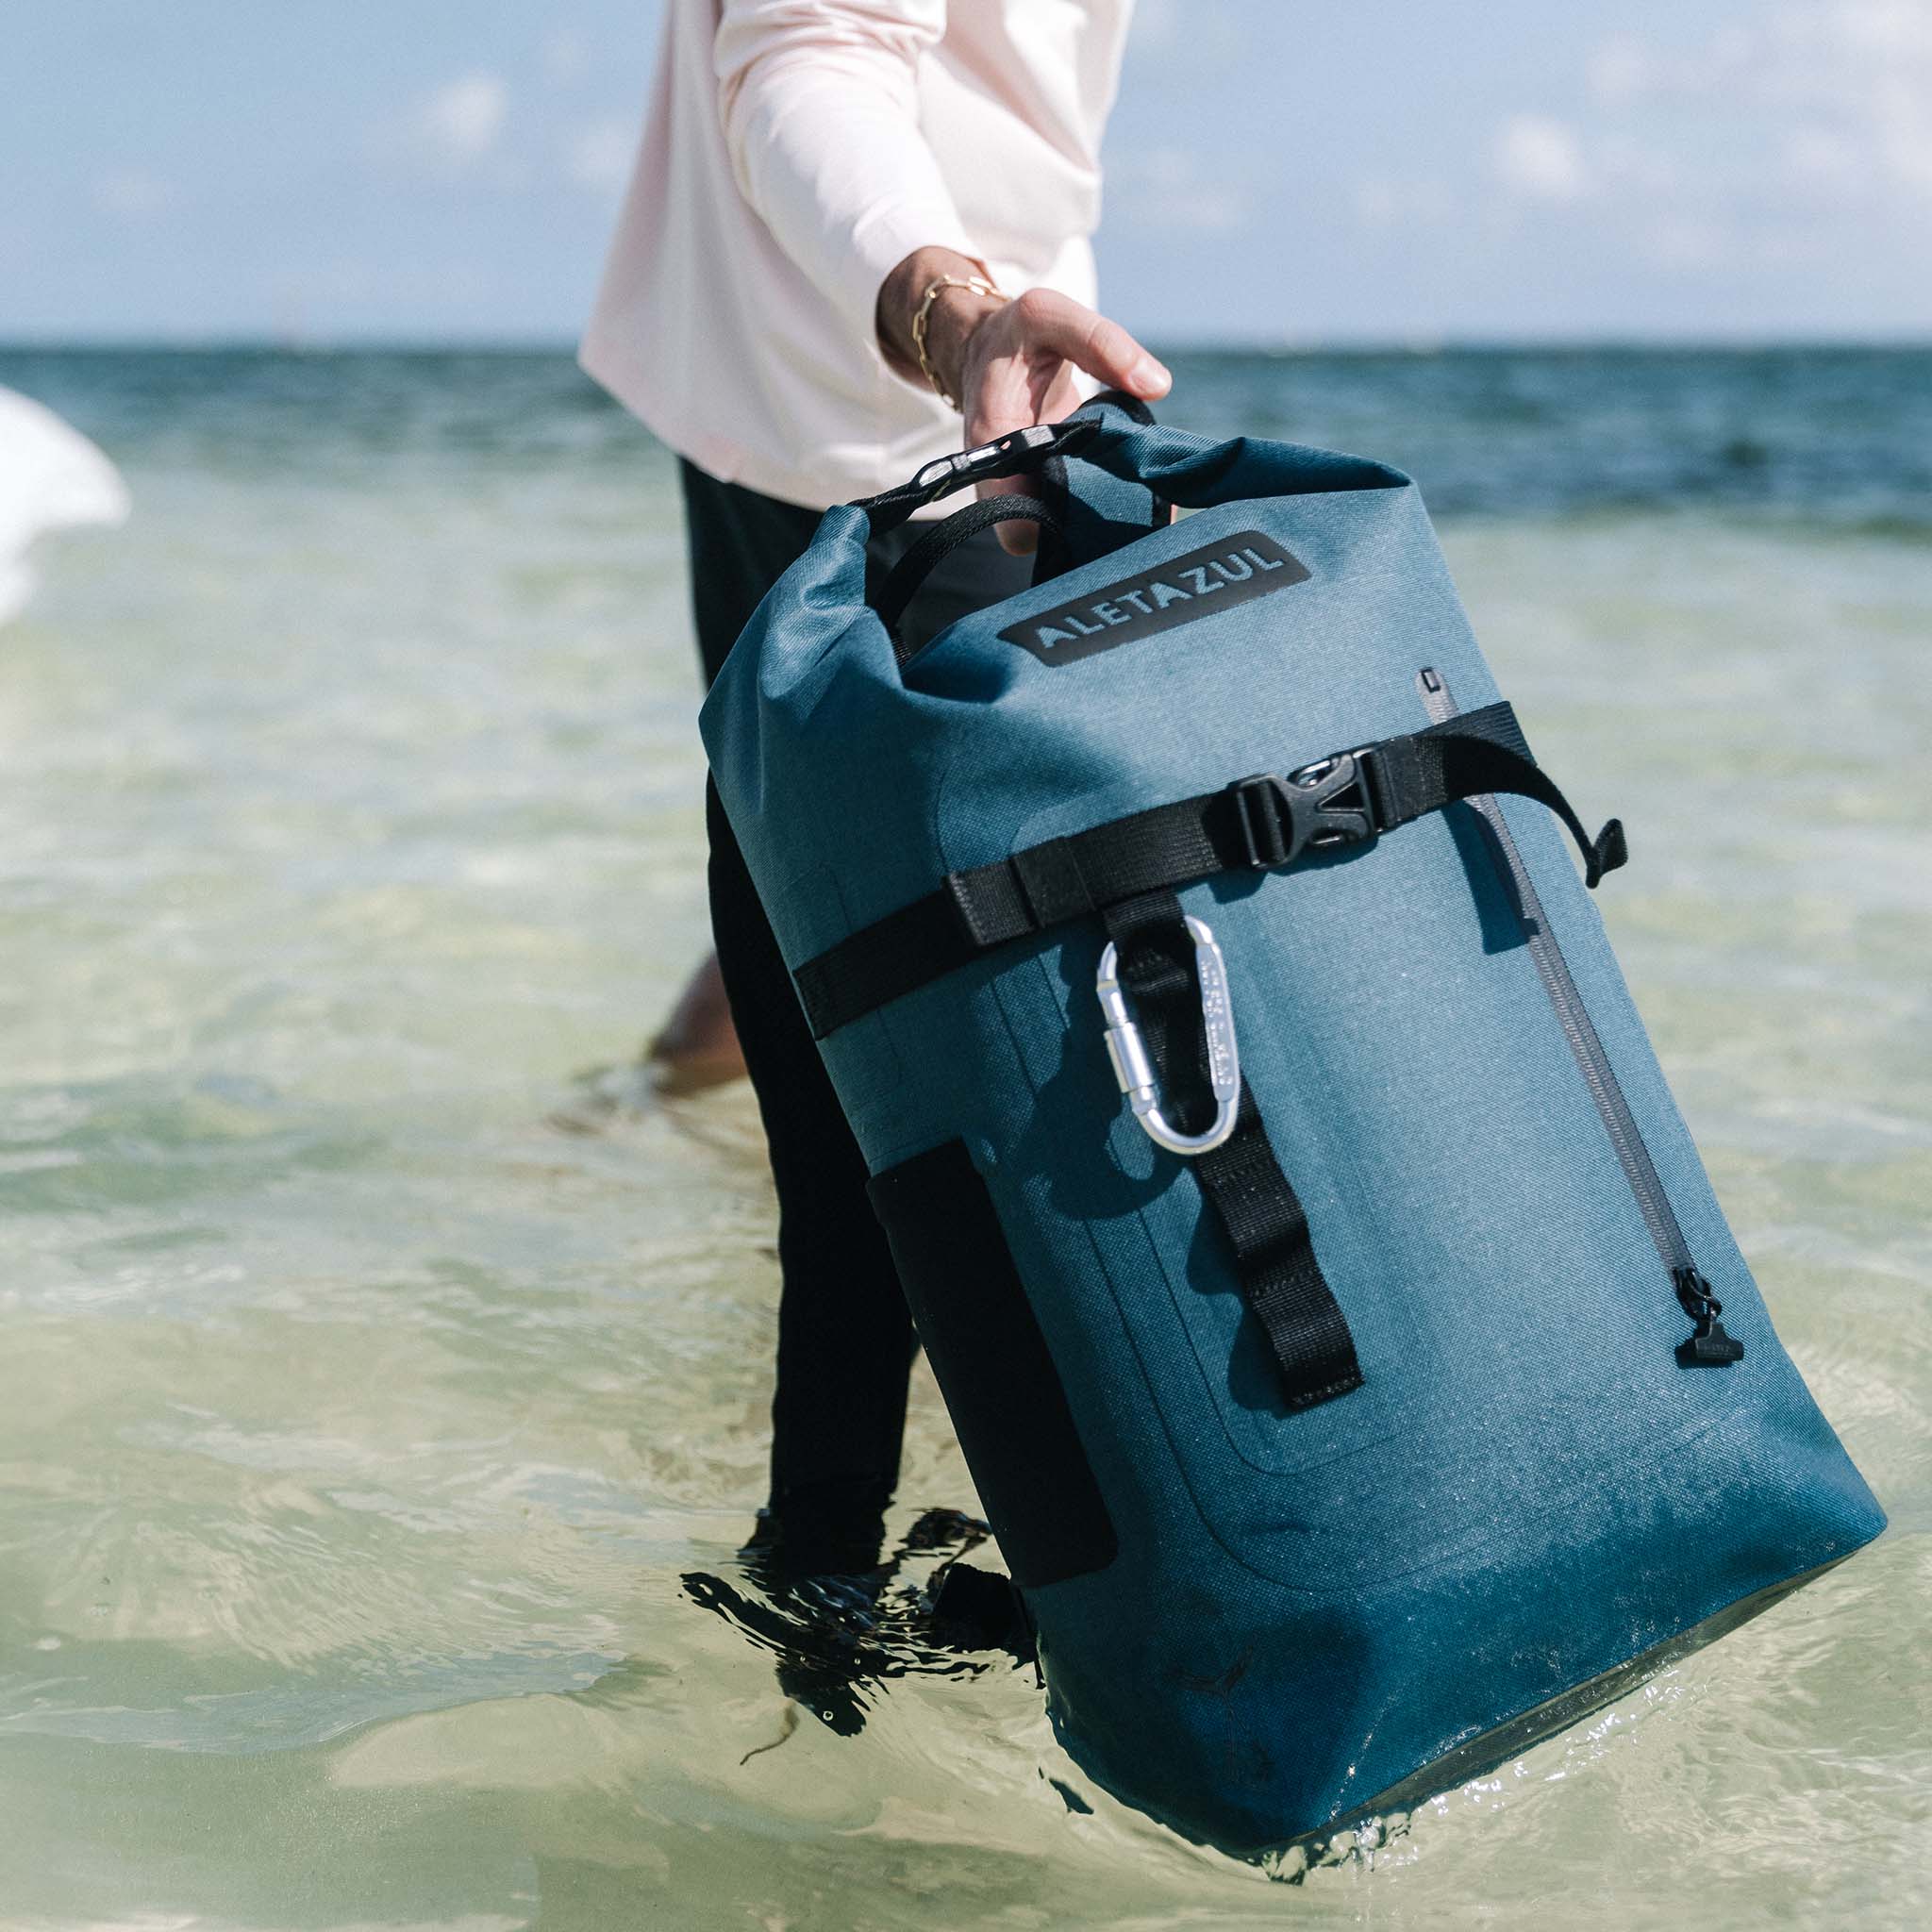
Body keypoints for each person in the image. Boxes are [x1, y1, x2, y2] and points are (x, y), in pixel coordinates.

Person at [581, 0, 1169, 1579]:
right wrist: (953, 310)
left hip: (924, 382)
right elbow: (807, 56)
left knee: (846, 943)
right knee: (935, 1073)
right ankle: (844, 1595)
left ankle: (629, 1117)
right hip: (894, 412)